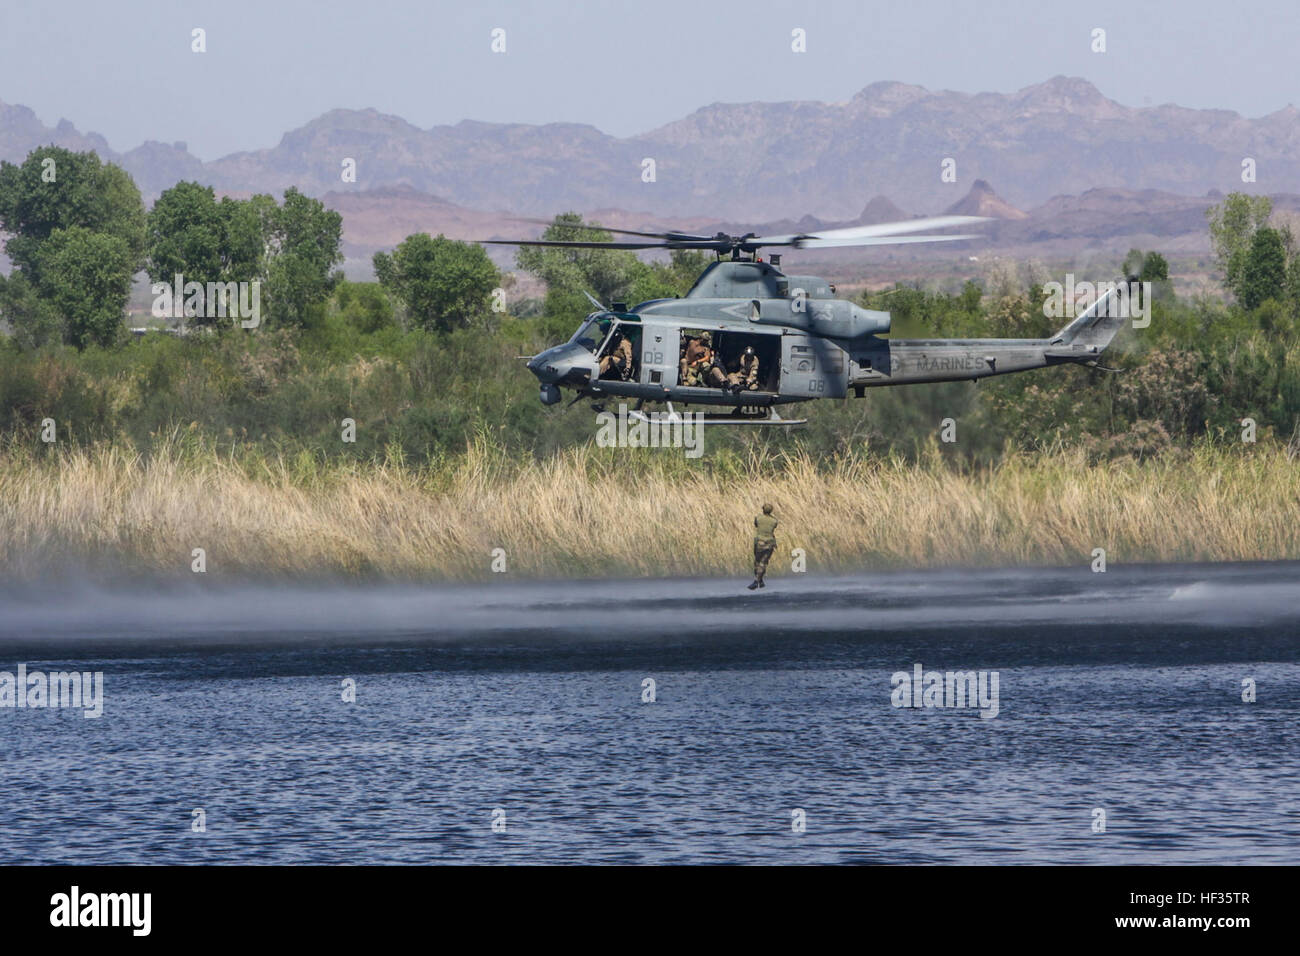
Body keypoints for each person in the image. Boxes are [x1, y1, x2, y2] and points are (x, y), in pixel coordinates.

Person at [748, 503, 778, 590]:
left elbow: (756, 525)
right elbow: (774, 527)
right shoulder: (774, 521)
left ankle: (756, 581)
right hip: (770, 543)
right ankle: (760, 581)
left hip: (759, 543)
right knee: (763, 562)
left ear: (763, 509)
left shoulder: (758, 518)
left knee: (757, 562)